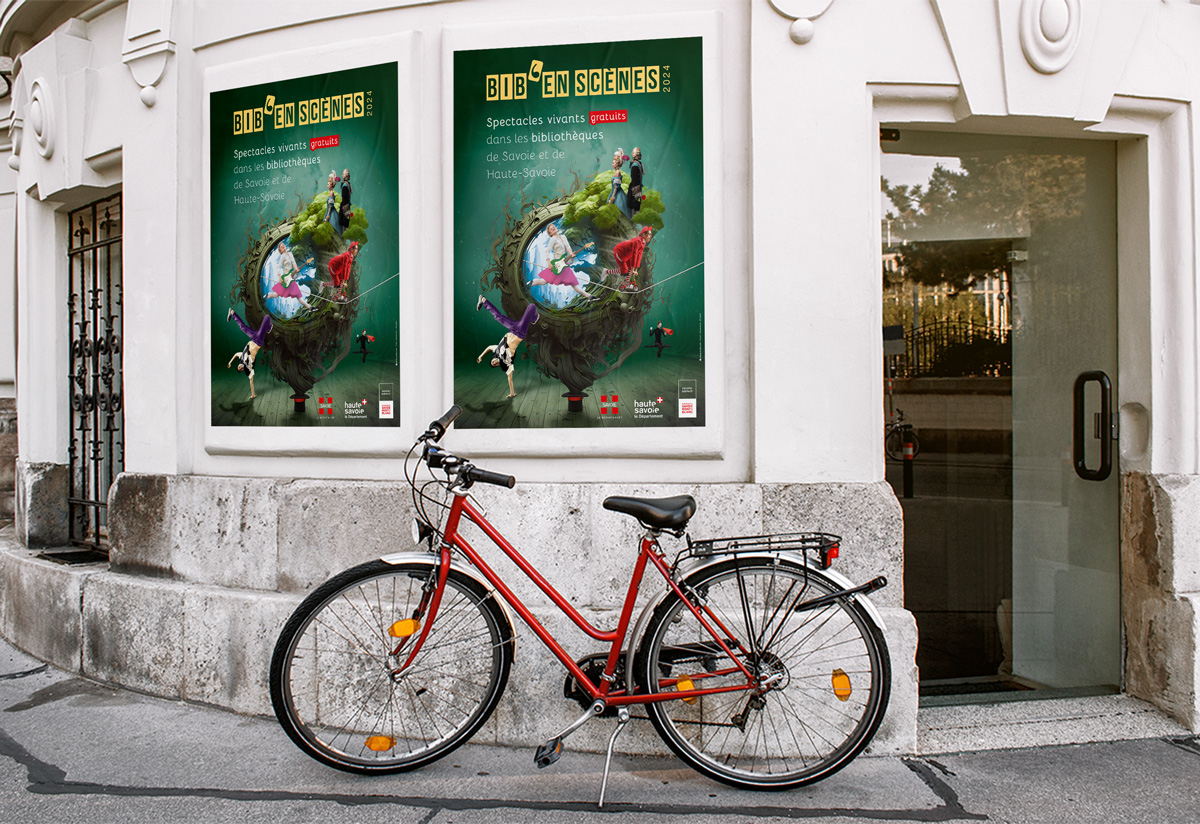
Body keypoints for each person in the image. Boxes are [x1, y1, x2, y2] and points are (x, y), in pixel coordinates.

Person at [476, 296, 539, 398]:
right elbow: (510, 379)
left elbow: (488, 347)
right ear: (498, 364)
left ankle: (483, 300)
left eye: (492, 362)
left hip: (512, 328)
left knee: (498, 317)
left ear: (492, 359)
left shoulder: (496, 350)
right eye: (496, 365)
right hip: (520, 332)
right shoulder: (506, 363)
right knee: (531, 307)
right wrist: (512, 393)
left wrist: (481, 356)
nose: (495, 363)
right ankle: (535, 317)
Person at [527, 223, 596, 301]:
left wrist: (571, 254)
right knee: (544, 281)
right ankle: (530, 283)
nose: (553, 227)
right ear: (550, 233)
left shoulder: (563, 237)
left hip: (564, 264)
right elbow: (547, 251)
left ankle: (589, 297)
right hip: (557, 264)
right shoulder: (553, 239)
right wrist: (549, 263)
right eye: (551, 228)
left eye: (553, 226)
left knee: (573, 283)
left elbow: (568, 247)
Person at [226, 309, 273, 399]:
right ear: (243, 368)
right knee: (267, 317)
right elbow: (251, 382)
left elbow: (236, 354)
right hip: (258, 340)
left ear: (239, 365)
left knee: (242, 327)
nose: (240, 368)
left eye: (239, 367)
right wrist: (252, 395)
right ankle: (269, 327)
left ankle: (232, 313)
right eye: (241, 369)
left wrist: (230, 362)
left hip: (252, 337)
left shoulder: (242, 356)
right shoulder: (249, 366)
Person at [265, 239, 316, 309]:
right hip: (285, 277)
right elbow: (278, 267)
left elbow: (294, 263)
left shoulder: (290, 254)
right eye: (281, 246)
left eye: (283, 245)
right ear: (280, 250)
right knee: (277, 294)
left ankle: (309, 307)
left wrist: (296, 269)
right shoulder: (282, 256)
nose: (283, 246)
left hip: (291, 278)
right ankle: (267, 295)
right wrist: (279, 277)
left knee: (297, 295)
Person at [610, 225, 653, 292]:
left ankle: (627, 283)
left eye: (651, 234)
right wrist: (633, 269)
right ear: (644, 234)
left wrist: (636, 269)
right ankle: (607, 272)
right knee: (625, 271)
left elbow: (639, 256)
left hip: (627, 255)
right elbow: (634, 255)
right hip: (619, 252)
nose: (650, 236)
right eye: (649, 234)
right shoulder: (637, 241)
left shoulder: (643, 243)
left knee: (629, 269)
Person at [607, 149, 634, 220]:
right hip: (614, 192)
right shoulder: (616, 172)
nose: (612, 164)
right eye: (612, 162)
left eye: (613, 163)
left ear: (617, 164)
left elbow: (616, 186)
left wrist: (613, 195)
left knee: (619, 208)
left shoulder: (617, 172)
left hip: (616, 193)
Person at [628, 147, 645, 212]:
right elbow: (635, 178)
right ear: (637, 155)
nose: (641, 155)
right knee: (635, 204)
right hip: (635, 188)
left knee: (637, 203)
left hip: (637, 186)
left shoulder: (638, 164)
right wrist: (637, 191)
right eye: (640, 154)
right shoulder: (635, 165)